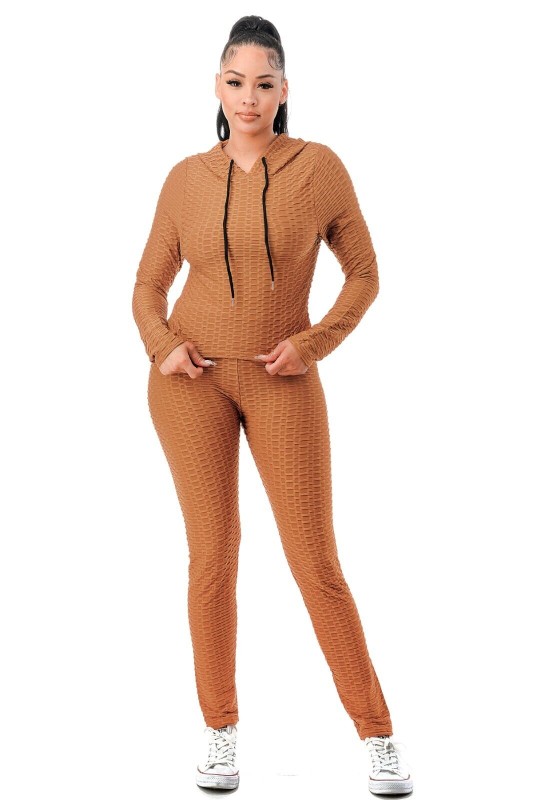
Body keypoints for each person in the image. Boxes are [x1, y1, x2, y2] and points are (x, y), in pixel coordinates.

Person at [132, 14, 413, 796]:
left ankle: (378, 737)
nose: (248, 98)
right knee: (212, 558)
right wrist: (162, 345)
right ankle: (219, 732)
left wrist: (312, 343)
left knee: (314, 561)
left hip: (281, 377)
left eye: (263, 83)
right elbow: (148, 284)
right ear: (216, 88)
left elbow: (363, 274)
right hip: (189, 382)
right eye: (235, 82)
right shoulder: (185, 178)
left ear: (284, 89)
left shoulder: (317, 168)